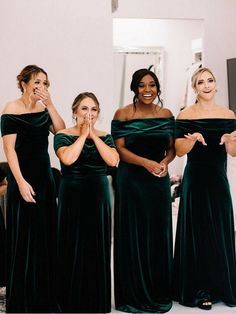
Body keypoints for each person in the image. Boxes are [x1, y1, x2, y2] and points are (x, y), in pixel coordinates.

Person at [0, 64, 65, 313]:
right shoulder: (11, 109)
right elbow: (9, 150)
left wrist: (50, 104)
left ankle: (44, 296)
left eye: (45, 83)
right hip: (22, 180)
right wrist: (20, 181)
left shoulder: (43, 108)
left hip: (44, 179)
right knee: (24, 236)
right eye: (37, 81)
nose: (41, 87)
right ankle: (23, 297)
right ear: (24, 83)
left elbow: (61, 132)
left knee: (45, 235)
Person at [111, 68, 175, 313]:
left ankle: (158, 290)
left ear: (158, 88)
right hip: (131, 180)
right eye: (142, 85)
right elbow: (120, 150)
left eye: (152, 85)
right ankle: (133, 294)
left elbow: (171, 149)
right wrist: (146, 163)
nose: (147, 90)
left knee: (158, 235)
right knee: (133, 234)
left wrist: (164, 163)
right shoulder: (123, 114)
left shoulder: (167, 114)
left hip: (158, 180)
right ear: (134, 88)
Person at [172, 67, 236, 310]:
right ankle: (199, 289)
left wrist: (230, 142)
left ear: (216, 84)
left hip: (218, 180)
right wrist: (190, 140)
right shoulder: (186, 115)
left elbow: (233, 153)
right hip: (196, 180)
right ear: (194, 87)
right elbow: (178, 151)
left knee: (219, 231)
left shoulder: (228, 114)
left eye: (210, 80)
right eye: (201, 82)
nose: (206, 85)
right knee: (197, 233)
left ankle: (221, 285)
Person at [54, 92, 119, 313]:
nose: (89, 114)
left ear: (98, 113)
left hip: (98, 195)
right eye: (84, 109)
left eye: (93, 109)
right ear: (74, 112)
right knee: (71, 244)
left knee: (96, 244)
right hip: (71, 194)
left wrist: (94, 136)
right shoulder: (62, 135)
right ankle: (70, 301)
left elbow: (113, 160)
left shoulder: (106, 136)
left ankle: (96, 302)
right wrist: (83, 136)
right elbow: (68, 159)